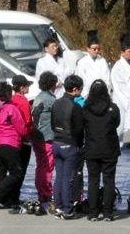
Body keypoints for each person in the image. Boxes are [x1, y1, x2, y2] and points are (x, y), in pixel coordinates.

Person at [82, 80, 121, 222]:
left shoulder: (85, 108)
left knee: (93, 180)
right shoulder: (113, 108)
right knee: (109, 180)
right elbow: (116, 123)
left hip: (92, 149)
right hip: (109, 149)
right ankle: (108, 212)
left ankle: (93, 212)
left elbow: (82, 125)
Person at [0, 82, 29, 211]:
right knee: (16, 172)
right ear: (7, 94)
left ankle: (1, 200)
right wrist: (27, 136)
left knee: (0, 172)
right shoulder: (11, 108)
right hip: (9, 143)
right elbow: (21, 129)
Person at [51, 75, 85, 219]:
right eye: (80, 89)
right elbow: (79, 129)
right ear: (75, 89)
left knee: (59, 177)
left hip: (56, 142)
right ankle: (68, 209)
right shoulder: (75, 107)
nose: (81, 92)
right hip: (70, 144)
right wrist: (80, 145)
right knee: (68, 178)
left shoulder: (56, 103)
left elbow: (53, 125)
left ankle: (58, 207)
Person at [31, 72, 59, 214]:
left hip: (36, 137)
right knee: (47, 166)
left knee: (40, 166)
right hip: (47, 137)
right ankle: (47, 192)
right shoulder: (51, 100)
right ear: (52, 85)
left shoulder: (38, 97)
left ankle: (41, 192)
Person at [7, 75, 35, 211]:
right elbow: (28, 122)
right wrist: (31, 134)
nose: (28, 88)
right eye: (27, 86)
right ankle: (14, 197)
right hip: (23, 139)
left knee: (13, 171)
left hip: (10, 138)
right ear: (22, 88)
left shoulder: (10, 100)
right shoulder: (24, 102)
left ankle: (9, 196)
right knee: (21, 171)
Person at [110, 33, 130, 148]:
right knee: (122, 121)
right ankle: (119, 143)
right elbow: (118, 85)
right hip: (121, 97)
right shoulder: (117, 67)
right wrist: (129, 95)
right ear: (122, 52)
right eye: (129, 51)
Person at [75, 30, 111, 99]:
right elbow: (81, 80)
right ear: (88, 49)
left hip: (102, 95)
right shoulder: (82, 62)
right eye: (94, 49)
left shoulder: (102, 61)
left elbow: (107, 79)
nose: (97, 51)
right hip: (88, 95)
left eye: (98, 49)